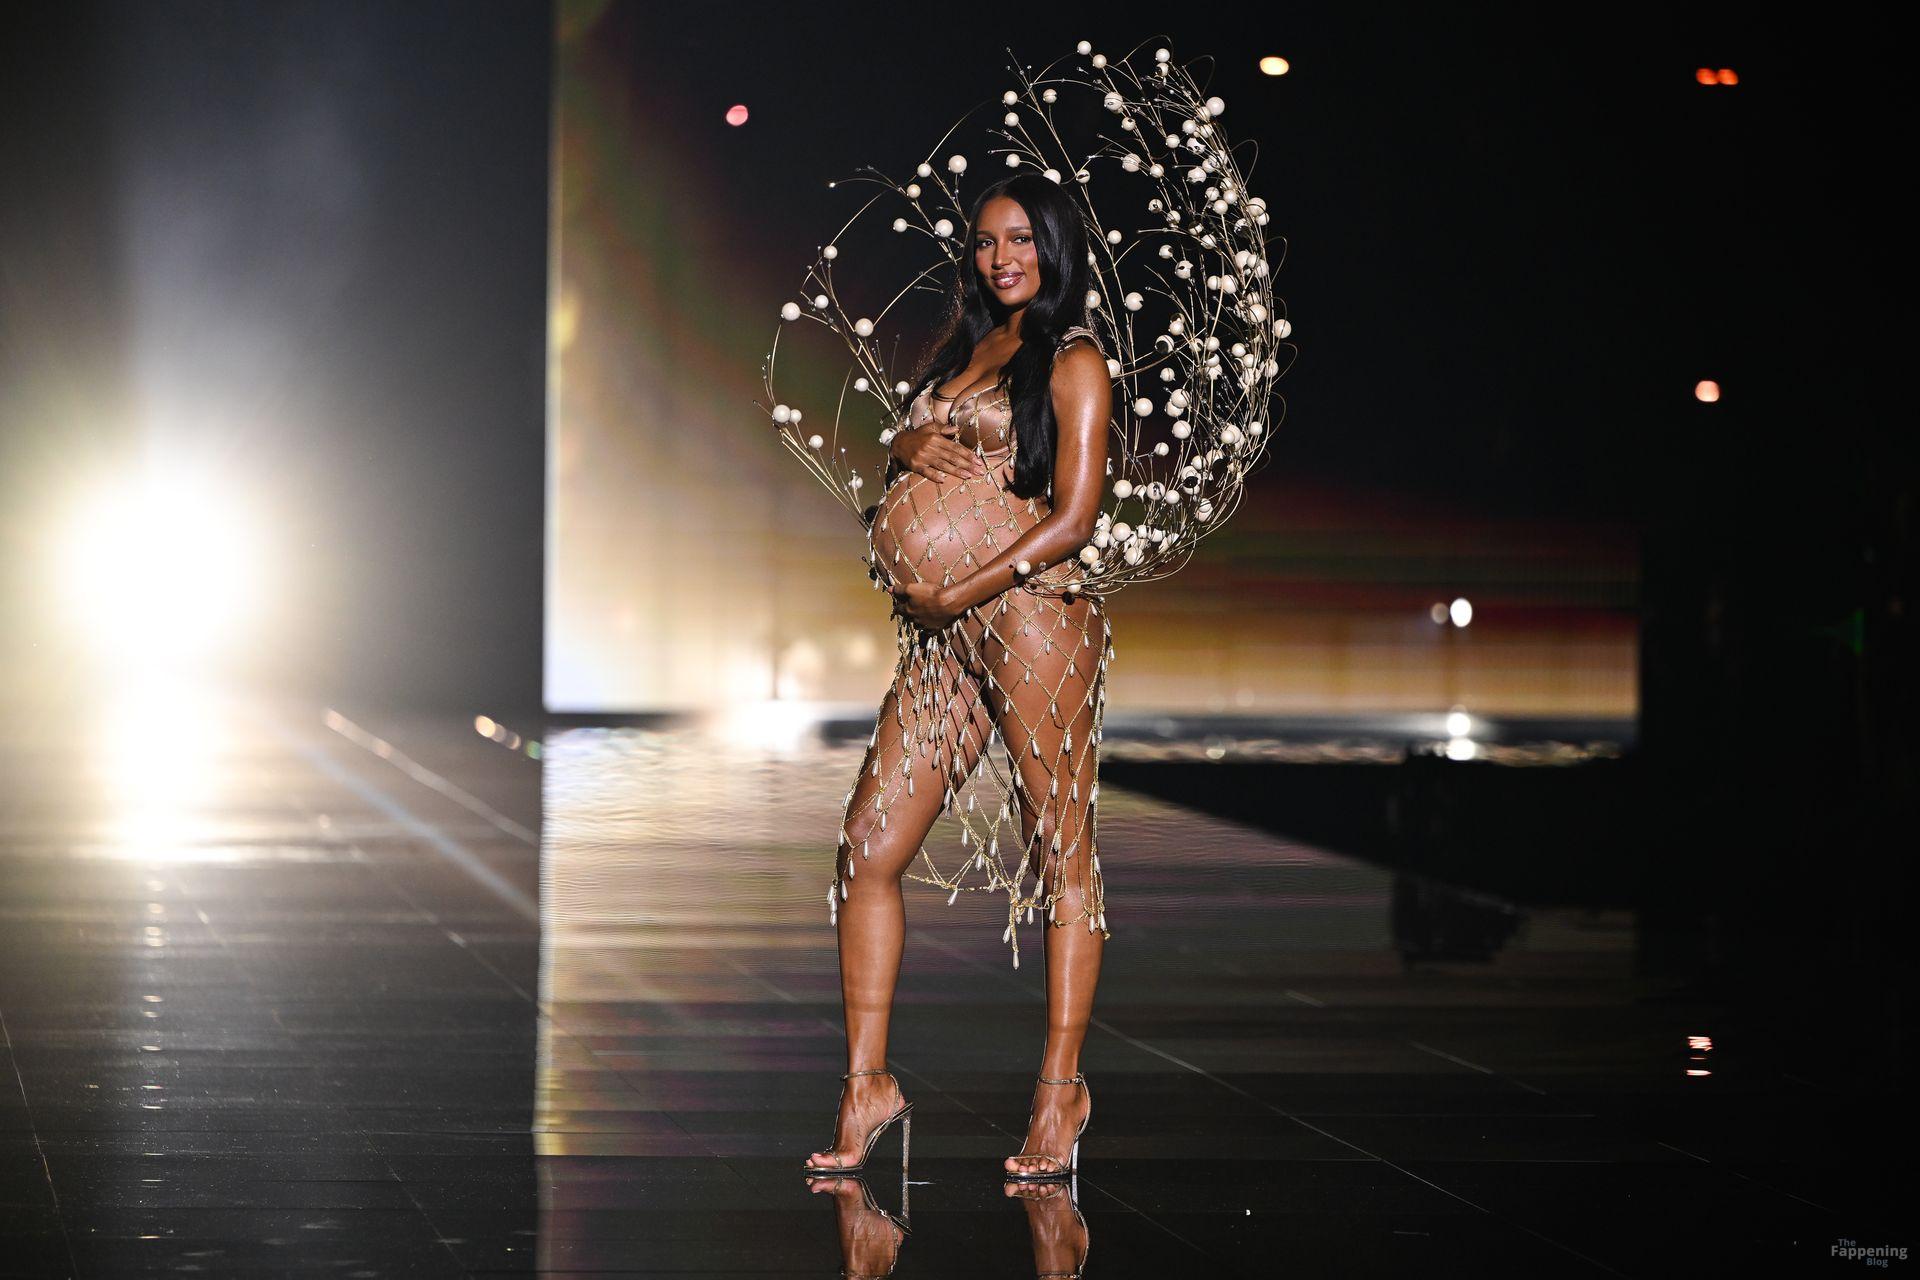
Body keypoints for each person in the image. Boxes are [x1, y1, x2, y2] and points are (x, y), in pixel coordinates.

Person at [802, 173, 1113, 1182]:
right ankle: (867, 1085)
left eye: (1020, 239)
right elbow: (921, 449)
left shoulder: (1073, 358)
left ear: (1053, 246)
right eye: (984, 241)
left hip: (1032, 620)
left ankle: (1061, 1094)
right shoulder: (968, 349)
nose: (1000, 257)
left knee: (1059, 852)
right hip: (945, 639)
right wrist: (902, 438)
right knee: (868, 844)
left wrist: (965, 588)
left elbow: (1075, 516)